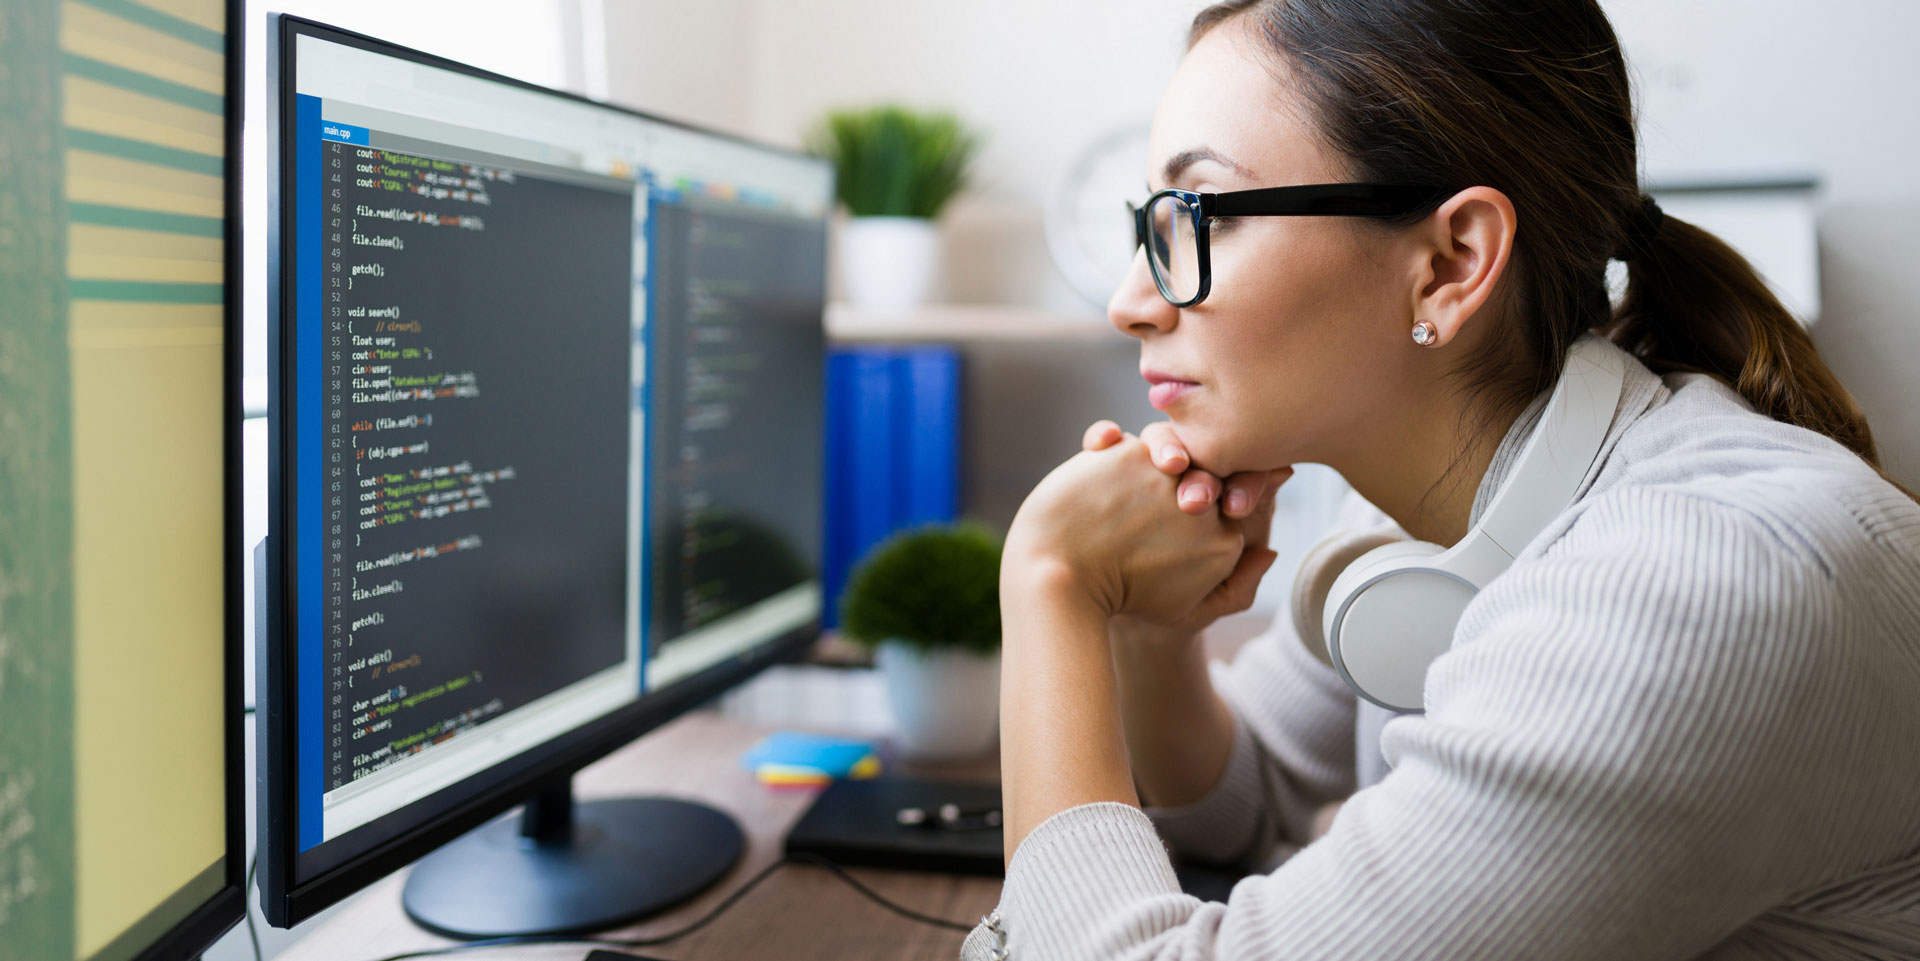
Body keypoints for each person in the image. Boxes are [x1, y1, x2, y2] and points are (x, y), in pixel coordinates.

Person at [961, 1, 1920, 959]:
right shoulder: (1427, 490)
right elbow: (1242, 797)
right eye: (1151, 223)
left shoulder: (1690, 583)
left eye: (1196, 214)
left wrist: (1052, 579)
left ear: (1451, 262)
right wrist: (1148, 629)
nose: (1131, 301)